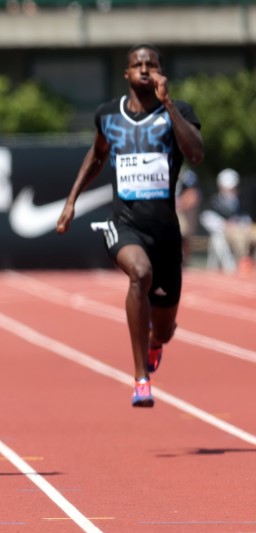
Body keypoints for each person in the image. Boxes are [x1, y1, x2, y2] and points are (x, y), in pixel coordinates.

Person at [56, 43, 204, 408]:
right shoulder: (108, 115)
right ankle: (141, 377)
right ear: (126, 74)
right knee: (139, 272)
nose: (143, 68)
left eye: (150, 64)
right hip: (124, 225)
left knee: (166, 330)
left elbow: (196, 152)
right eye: (137, 64)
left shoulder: (178, 112)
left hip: (166, 233)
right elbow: (97, 154)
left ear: (160, 72)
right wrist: (72, 200)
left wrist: (168, 103)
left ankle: (155, 343)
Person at [204, 168, 256, 274]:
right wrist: (225, 224)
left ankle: (250, 263)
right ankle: (242, 261)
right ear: (221, 187)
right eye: (227, 188)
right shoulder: (215, 202)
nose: (231, 191)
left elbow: (247, 218)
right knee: (237, 237)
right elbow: (206, 218)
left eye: (233, 188)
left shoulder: (242, 200)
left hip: (243, 229)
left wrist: (240, 224)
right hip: (227, 233)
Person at [175, 168, 202, 260]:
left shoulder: (186, 175)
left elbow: (193, 196)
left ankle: (184, 260)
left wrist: (179, 205)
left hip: (181, 212)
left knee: (182, 230)